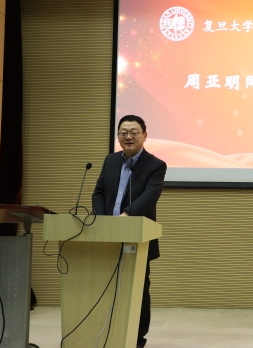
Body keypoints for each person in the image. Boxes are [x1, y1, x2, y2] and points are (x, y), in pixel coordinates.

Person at [92, 114, 167, 348]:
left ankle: (137, 338)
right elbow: (99, 192)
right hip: (108, 235)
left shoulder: (155, 165)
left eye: (134, 132)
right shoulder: (111, 161)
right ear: (118, 136)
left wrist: (126, 216)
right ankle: (108, 332)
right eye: (123, 133)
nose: (128, 137)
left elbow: (151, 195)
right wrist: (103, 221)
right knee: (107, 284)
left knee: (138, 289)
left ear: (144, 136)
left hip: (137, 236)